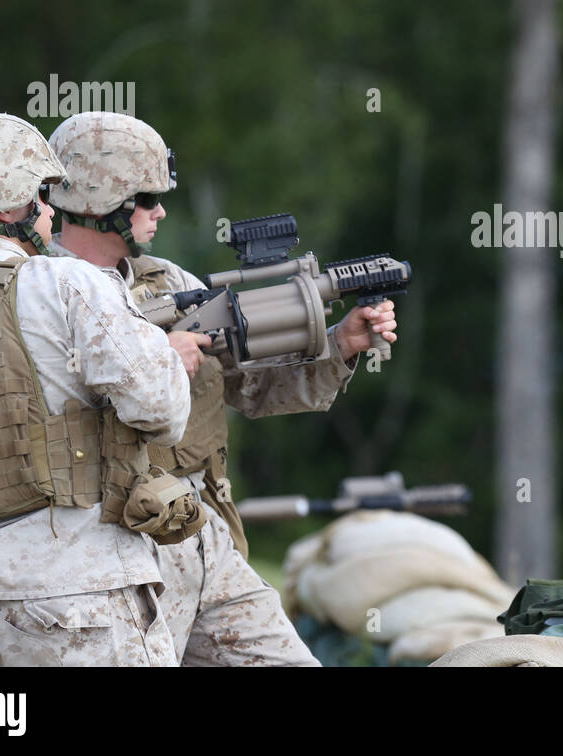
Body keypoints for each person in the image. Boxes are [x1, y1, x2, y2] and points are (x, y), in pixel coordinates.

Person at [47, 110, 398, 666]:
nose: (160, 211)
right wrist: (159, 362)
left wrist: (341, 344)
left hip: (201, 536)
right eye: (145, 198)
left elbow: (253, 389)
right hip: (110, 553)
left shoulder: (173, 284)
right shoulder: (40, 298)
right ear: (101, 199)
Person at [0, 112, 194, 667]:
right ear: (7, 207)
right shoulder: (65, 284)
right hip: (78, 602)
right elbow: (162, 411)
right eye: (42, 195)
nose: (50, 211)